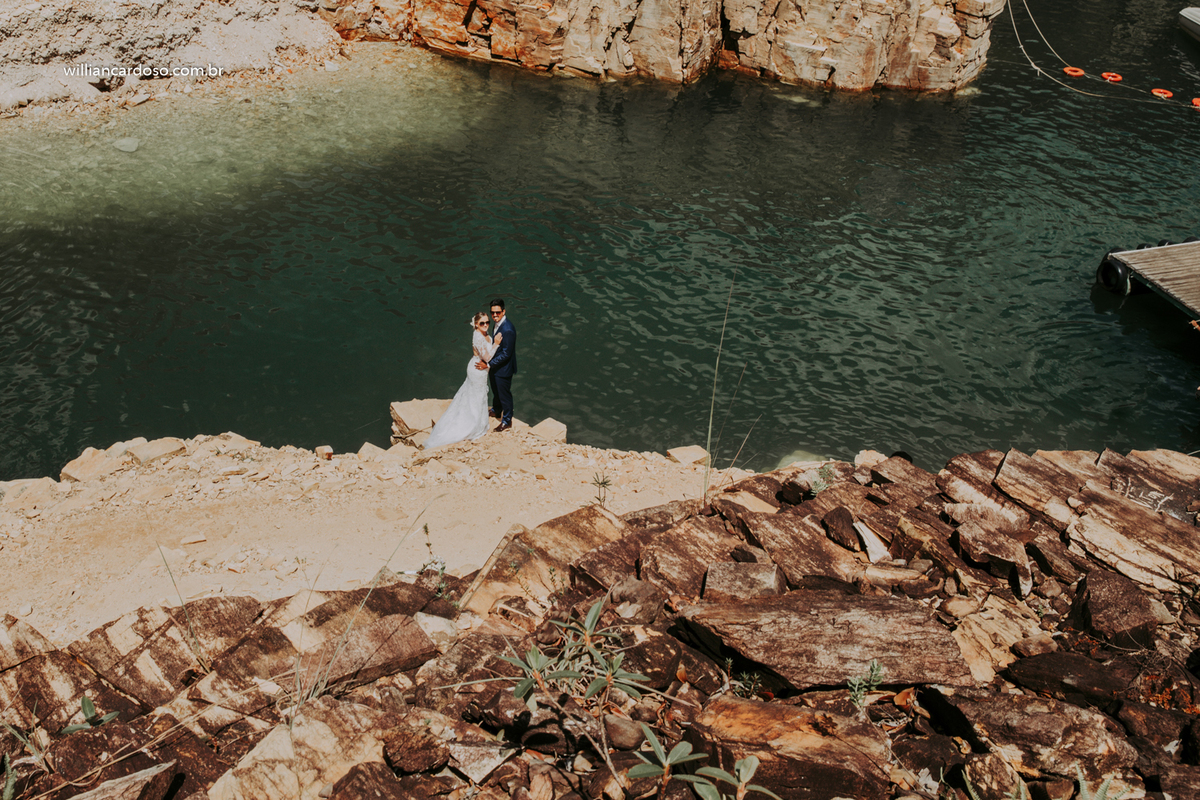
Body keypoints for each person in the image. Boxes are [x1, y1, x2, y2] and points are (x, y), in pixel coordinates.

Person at [424, 312, 497, 449]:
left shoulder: (485, 335)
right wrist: (497, 344)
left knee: (477, 396)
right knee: (476, 396)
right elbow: (487, 357)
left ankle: (479, 421)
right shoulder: (478, 337)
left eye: (487, 322)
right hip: (477, 370)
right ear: (476, 324)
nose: (486, 325)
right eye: (482, 323)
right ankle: (473, 425)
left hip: (481, 369)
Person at [477, 298, 517, 431]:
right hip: (494, 366)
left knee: (504, 394)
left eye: (498, 313)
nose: (495, 315)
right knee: (496, 391)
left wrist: (489, 364)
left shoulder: (508, 329)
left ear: (503, 311)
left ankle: (507, 420)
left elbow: (506, 354)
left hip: (504, 369)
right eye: (493, 313)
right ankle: (497, 409)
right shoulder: (496, 324)